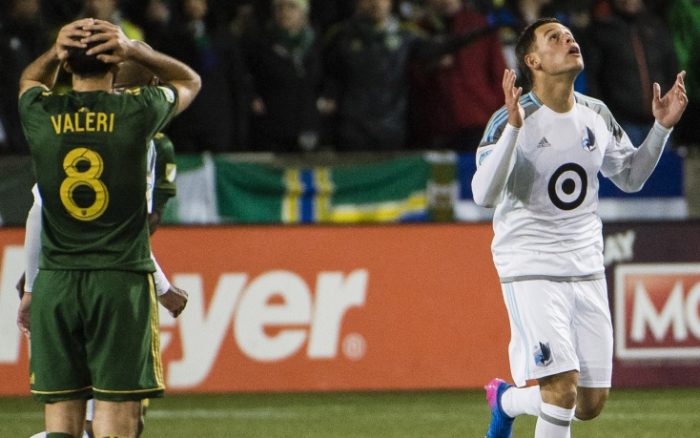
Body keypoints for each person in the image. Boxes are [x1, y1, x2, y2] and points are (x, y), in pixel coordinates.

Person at [471, 17, 687, 438]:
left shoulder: (595, 114)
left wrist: (661, 129)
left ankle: (506, 400)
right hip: (530, 264)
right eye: (555, 37)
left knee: (588, 403)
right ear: (532, 60)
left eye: (569, 34)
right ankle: (513, 400)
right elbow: (483, 193)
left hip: (586, 264)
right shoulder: (510, 118)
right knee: (561, 388)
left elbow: (630, 177)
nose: (569, 39)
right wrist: (514, 129)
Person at [15, 18, 200, 437]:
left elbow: (29, 78)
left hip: (57, 283)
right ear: (115, 64)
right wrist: (136, 49)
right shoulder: (138, 113)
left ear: (67, 63)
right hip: (118, 282)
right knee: (117, 424)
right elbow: (189, 79)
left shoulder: (40, 114)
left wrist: (53, 53)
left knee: (62, 424)